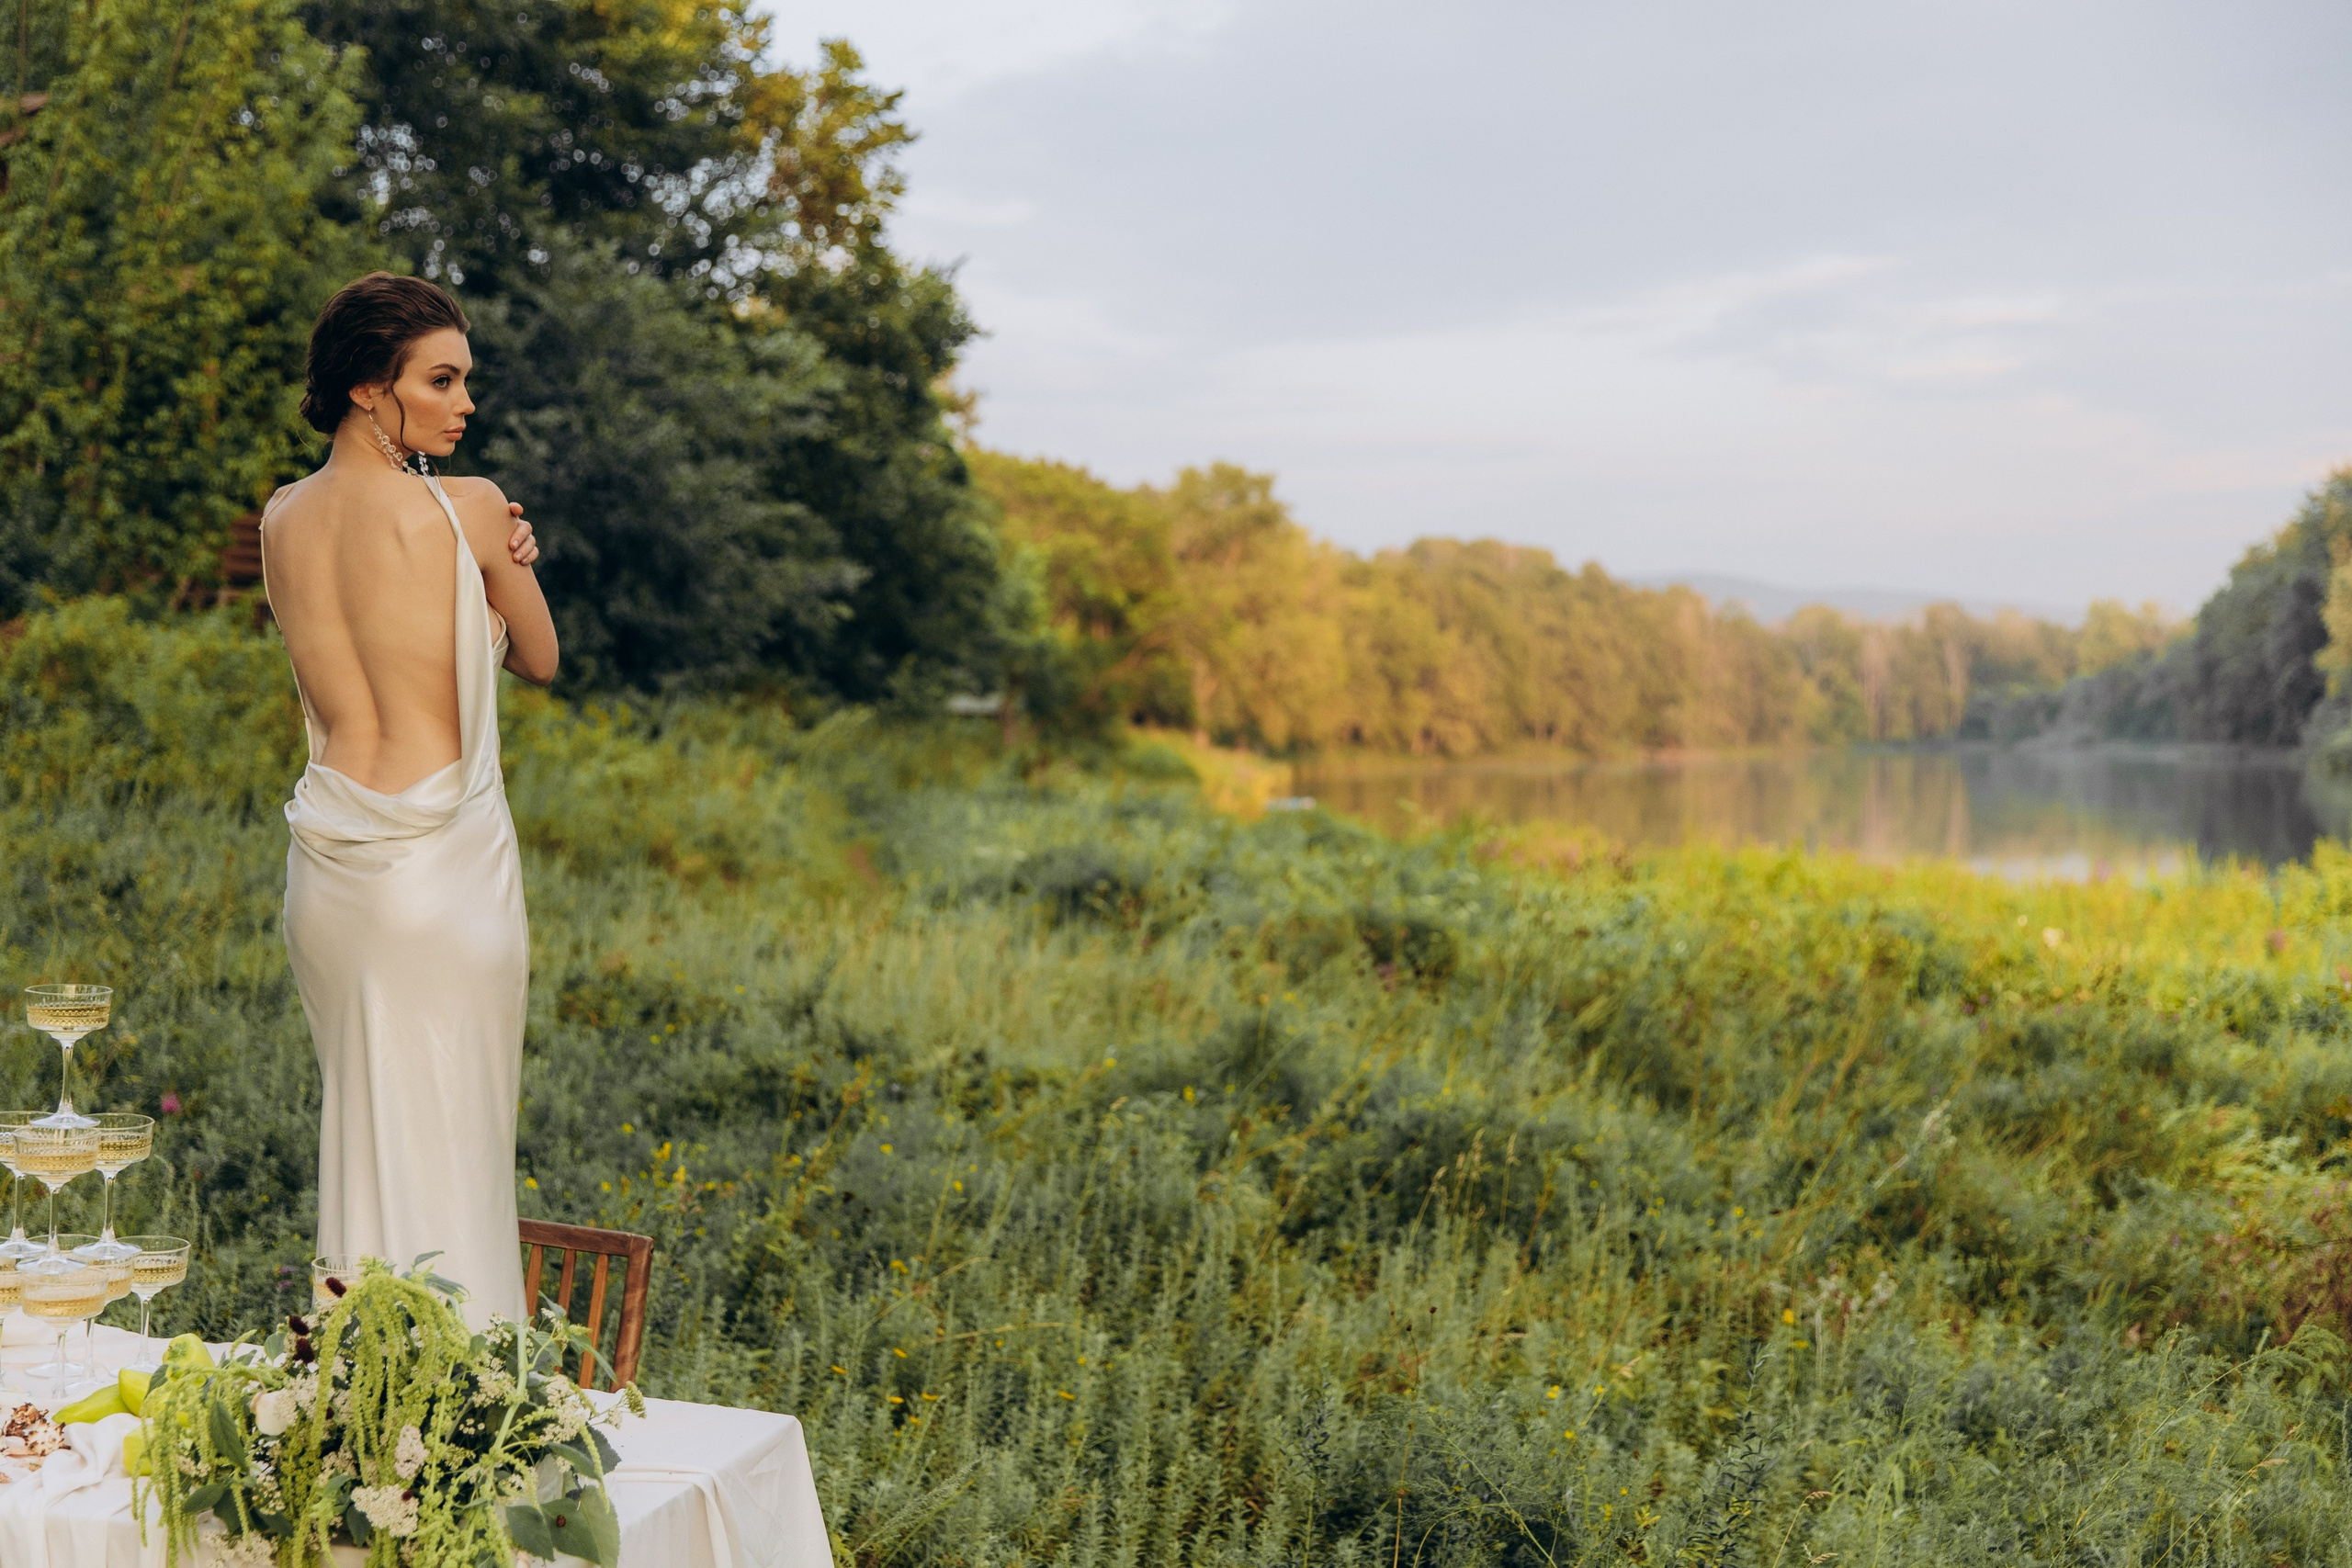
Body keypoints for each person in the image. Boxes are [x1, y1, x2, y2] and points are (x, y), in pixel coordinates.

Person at [258, 271, 558, 1327]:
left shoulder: (281, 516)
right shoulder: (469, 507)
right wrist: (511, 561)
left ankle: (361, 1398)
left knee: (368, 1135)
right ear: (367, 390)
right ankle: (465, 1415)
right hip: (443, 868)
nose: (464, 404)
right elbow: (542, 658)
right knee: (460, 1147)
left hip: (331, 866)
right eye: (441, 379)